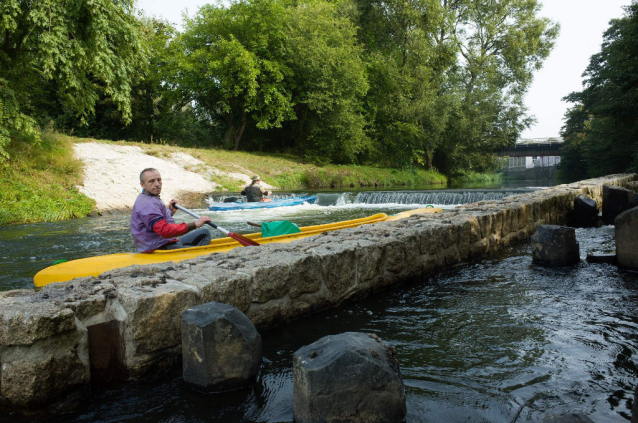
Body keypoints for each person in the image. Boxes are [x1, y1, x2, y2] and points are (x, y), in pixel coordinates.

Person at [131, 168, 212, 252]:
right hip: (159, 247)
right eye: (151, 181)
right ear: (142, 185)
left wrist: (170, 212)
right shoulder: (148, 204)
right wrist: (195, 224)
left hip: (165, 242)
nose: (157, 184)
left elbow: (156, 222)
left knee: (204, 233)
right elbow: (165, 231)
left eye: (159, 180)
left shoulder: (149, 197)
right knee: (202, 250)